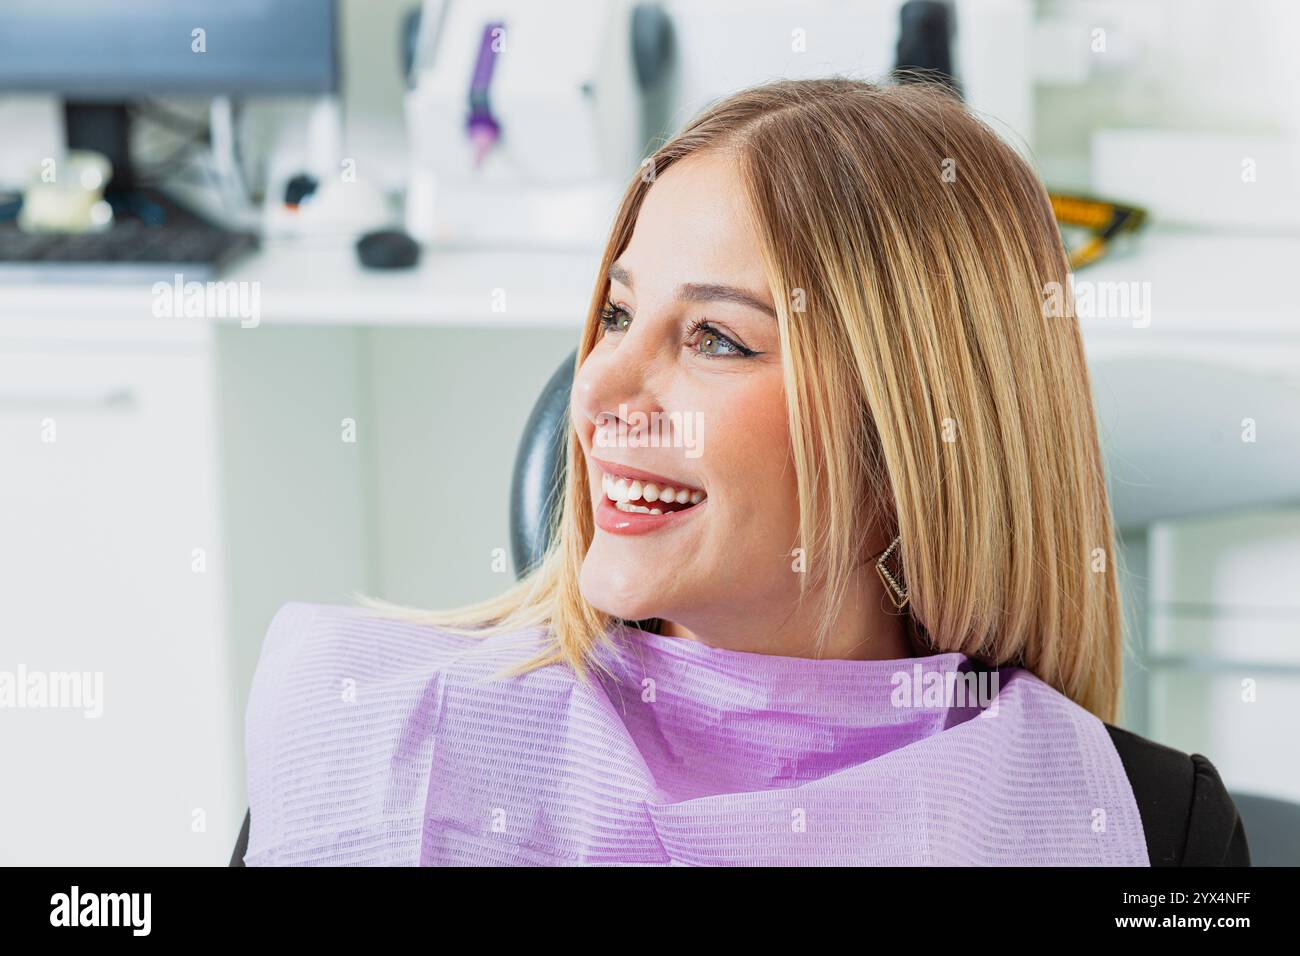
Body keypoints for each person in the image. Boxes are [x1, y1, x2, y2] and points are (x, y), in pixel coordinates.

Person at [231, 77, 1248, 866]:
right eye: (620, 314)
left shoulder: (1150, 822)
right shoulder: (369, 729)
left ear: (909, 439)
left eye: (715, 336)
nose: (600, 386)